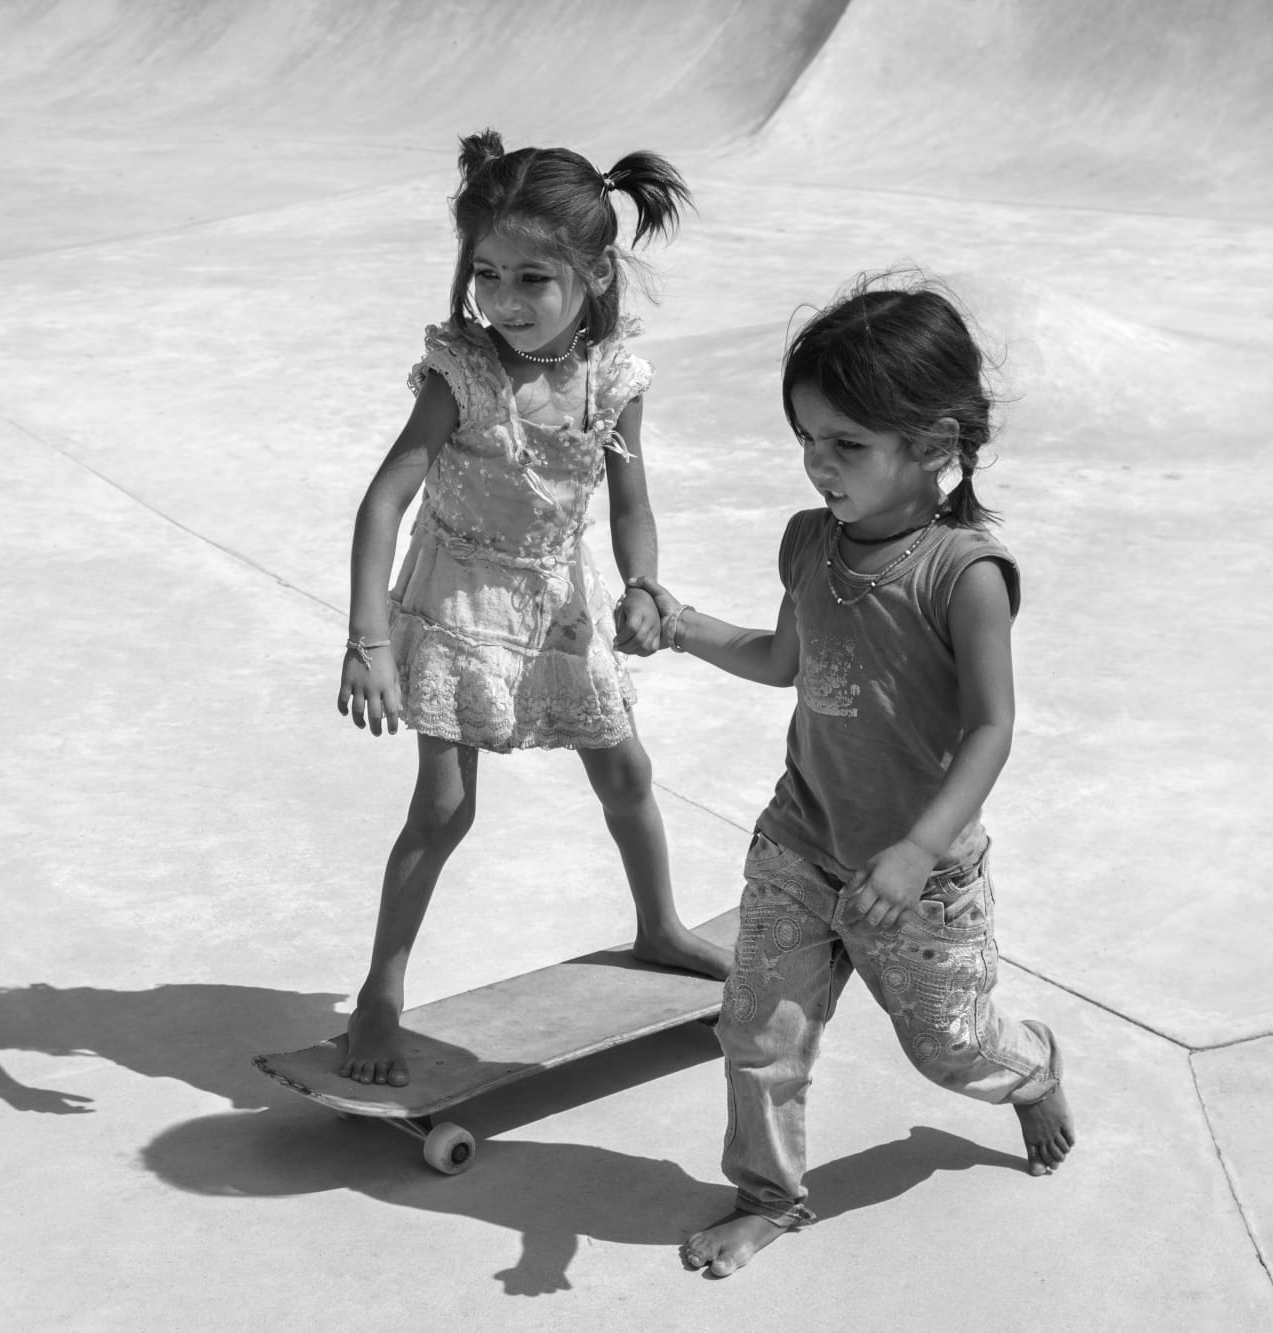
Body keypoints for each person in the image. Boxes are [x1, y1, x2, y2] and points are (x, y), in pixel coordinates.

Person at [629, 275, 1078, 1277]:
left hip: (921, 881)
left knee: (950, 1049)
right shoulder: (808, 542)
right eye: (806, 437)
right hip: (800, 841)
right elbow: (781, 660)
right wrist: (681, 625)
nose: (816, 462)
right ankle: (766, 1196)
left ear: (933, 442)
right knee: (756, 1029)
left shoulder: (963, 574)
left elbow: (992, 727)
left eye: (846, 443)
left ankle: (1033, 1067)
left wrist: (917, 849)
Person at [334, 129, 732, 1087]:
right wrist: (367, 639)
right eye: (486, 274)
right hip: (459, 598)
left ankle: (659, 925)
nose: (502, 301)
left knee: (627, 772)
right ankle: (379, 995)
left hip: (560, 600)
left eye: (530, 279)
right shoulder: (462, 376)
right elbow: (385, 500)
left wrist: (644, 584)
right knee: (444, 807)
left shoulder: (613, 381)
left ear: (593, 274)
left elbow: (631, 504)